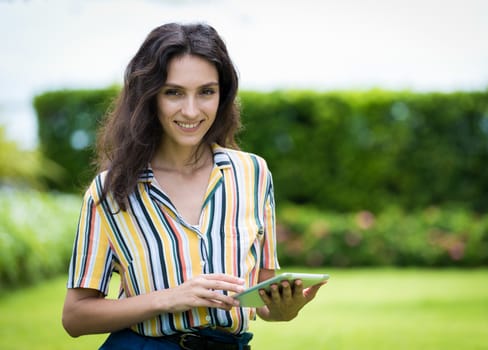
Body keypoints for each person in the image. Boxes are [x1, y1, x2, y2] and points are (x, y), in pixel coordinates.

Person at [62, 22, 326, 350]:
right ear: (150, 96)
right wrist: (168, 299)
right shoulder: (110, 191)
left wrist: (283, 309)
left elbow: (261, 294)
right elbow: (75, 316)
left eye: (206, 92)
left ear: (223, 94)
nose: (191, 110)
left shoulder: (254, 174)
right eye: (173, 92)